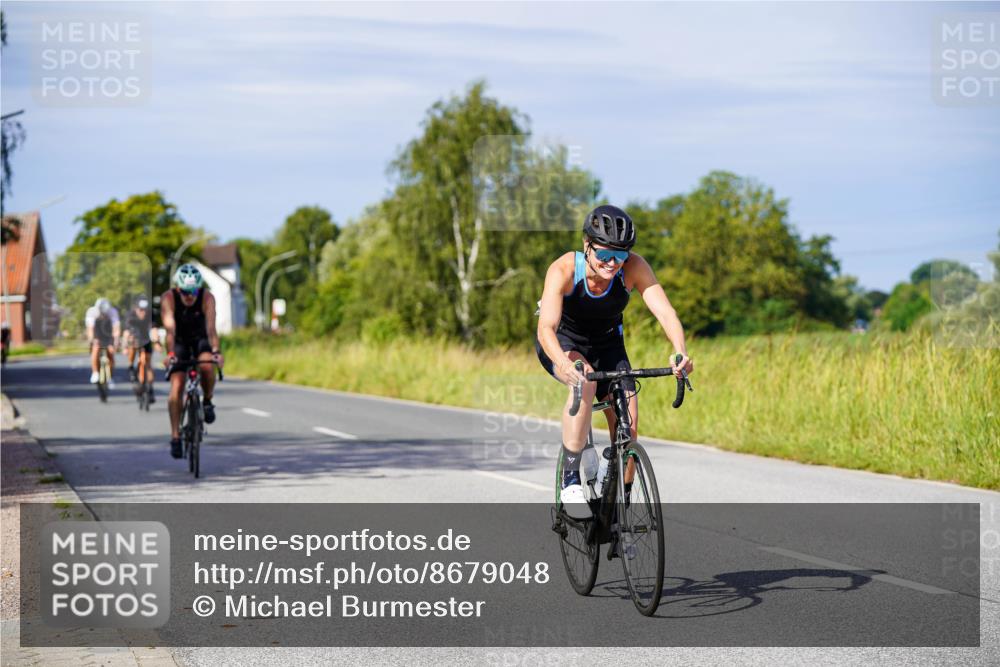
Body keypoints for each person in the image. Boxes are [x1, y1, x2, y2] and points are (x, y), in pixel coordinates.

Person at [536, 205, 694, 518]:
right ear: (587, 246)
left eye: (620, 257)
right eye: (605, 255)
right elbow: (546, 329)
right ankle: (570, 481)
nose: (613, 264)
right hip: (564, 343)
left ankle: (617, 504)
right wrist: (563, 363)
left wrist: (680, 351)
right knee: (586, 379)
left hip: (608, 344)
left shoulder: (633, 267)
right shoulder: (565, 269)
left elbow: (665, 312)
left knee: (629, 427)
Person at [161, 264, 223, 459]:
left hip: (200, 339)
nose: (190, 296)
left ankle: (207, 400)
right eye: (186, 291)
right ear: (178, 289)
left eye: (194, 290)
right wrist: (170, 354)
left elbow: (211, 329)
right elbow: (170, 331)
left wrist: (216, 352)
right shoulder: (168, 298)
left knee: (206, 364)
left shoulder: (207, 298)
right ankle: (175, 436)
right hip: (179, 341)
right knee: (177, 385)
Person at [122, 294, 159, 402]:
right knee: (132, 343)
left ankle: (150, 389)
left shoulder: (150, 314)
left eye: (144, 309)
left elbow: (154, 329)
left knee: (148, 364)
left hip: (145, 338)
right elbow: (126, 332)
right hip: (134, 337)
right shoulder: (130, 315)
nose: (142, 312)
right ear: (136, 308)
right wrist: (125, 346)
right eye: (140, 309)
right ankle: (131, 367)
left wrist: (156, 342)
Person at [84, 297, 121, 388]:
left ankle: (110, 377)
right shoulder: (92, 312)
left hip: (108, 334)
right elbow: (90, 329)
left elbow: (116, 328)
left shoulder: (113, 312)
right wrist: (92, 340)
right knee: (95, 349)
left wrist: (116, 341)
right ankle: (95, 373)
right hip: (97, 334)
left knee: (111, 353)